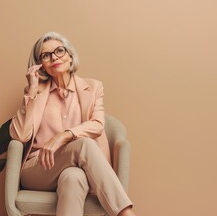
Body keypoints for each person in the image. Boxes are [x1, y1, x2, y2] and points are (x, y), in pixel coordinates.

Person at [10, 32, 136, 216]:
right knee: (84, 144)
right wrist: (32, 90)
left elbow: (97, 124)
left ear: (70, 55)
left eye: (59, 51)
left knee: (73, 178)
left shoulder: (93, 88)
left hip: (77, 169)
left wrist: (63, 136)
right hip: (39, 168)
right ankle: (126, 214)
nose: (54, 57)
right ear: (41, 65)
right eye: (46, 55)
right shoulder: (35, 92)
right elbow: (20, 135)